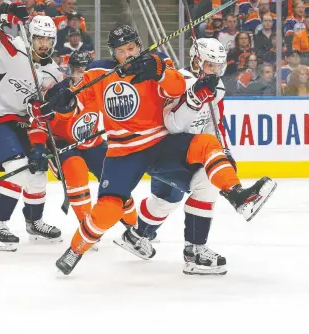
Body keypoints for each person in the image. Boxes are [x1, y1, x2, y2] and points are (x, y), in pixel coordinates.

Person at [40, 25, 276, 275]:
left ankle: (238, 195)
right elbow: (78, 102)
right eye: (121, 51)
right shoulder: (99, 71)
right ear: (113, 53)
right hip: (123, 151)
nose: (128, 54)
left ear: (139, 46)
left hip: (161, 143)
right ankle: (75, 250)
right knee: (109, 207)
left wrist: (161, 71)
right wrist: (64, 105)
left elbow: (175, 89)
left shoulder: (156, 61)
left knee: (208, 145)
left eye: (131, 48)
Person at [113, 38, 237, 275]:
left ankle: (136, 235)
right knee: (206, 182)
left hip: (184, 152)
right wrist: (195, 98)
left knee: (167, 199)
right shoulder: (179, 81)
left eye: (219, 66)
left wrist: (224, 151)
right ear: (196, 61)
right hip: (167, 150)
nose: (215, 71)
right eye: (210, 65)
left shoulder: (216, 87)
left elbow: (214, 124)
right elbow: (173, 125)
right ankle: (195, 252)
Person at [0, 2, 63, 251]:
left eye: (48, 39)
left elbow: (46, 113)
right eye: (38, 38)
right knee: (17, 168)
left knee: (37, 172)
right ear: (30, 38)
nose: (43, 44)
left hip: (25, 125)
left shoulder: (54, 74)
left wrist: (39, 144)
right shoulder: (14, 51)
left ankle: (34, 223)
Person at [29, 50, 138, 232]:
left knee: (116, 177)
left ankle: (134, 226)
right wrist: (38, 146)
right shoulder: (57, 93)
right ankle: (87, 227)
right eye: (78, 71)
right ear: (70, 71)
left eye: (86, 71)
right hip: (63, 144)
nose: (82, 75)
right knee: (76, 170)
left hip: (92, 142)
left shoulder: (101, 86)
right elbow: (38, 121)